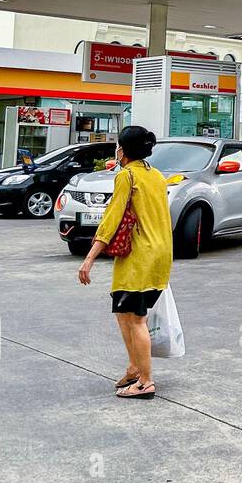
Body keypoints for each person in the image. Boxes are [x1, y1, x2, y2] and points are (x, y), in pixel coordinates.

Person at [78, 125, 173, 399]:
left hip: (139, 257)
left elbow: (112, 218)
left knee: (136, 320)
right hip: (159, 253)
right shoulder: (156, 176)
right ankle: (134, 367)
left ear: (124, 150)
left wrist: (89, 259)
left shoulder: (126, 176)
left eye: (118, 146)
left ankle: (145, 382)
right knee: (123, 312)